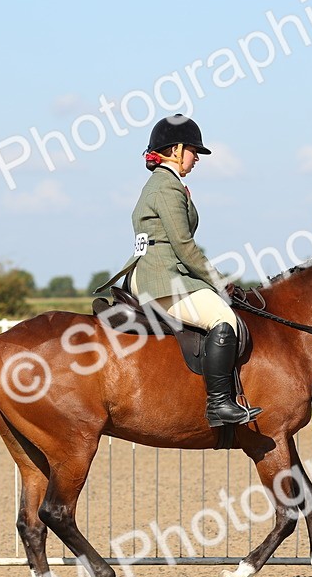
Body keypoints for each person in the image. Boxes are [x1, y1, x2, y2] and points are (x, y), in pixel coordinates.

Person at [105, 114, 261, 427]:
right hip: (161, 278)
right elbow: (183, 245)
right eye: (193, 151)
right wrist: (216, 280)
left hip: (158, 273)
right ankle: (218, 404)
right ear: (175, 150)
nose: (196, 159)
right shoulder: (167, 187)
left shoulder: (165, 184)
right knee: (223, 318)